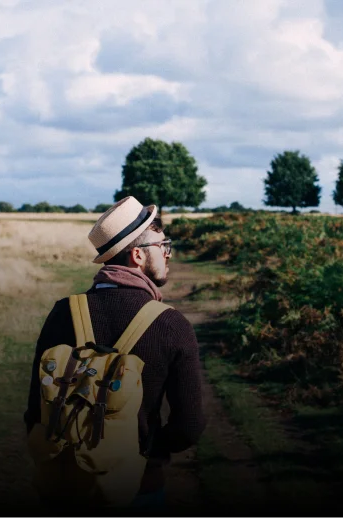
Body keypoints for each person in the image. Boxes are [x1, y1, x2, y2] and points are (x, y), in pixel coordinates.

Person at [23, 196, 206, 510]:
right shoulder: (171, 325)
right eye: (163, 245)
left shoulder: (62, 313)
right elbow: (189, 426)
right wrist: (143, 453)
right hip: (138, 489)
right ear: (137, 255)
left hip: (66, 487)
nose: (168, 253)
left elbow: (35, 411)